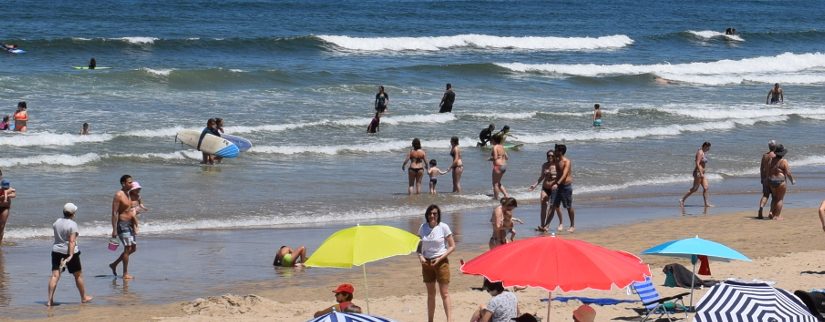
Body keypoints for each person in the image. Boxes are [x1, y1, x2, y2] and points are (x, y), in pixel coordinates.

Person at [47, 203, 93, 306]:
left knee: (55, 276)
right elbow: (71, 241)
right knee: (78, 275)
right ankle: (84, 297)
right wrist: (71, 255)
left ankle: (50, 300)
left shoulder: (57, 222)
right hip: (69, 252)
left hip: (56, 251)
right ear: (73, 213)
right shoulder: (73, 224)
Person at [417, 205, 455, 322]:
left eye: (435, 213)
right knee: (431, 294)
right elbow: (418, 247)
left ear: (438, 215)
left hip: (441, 262)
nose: (432, 216)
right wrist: (421, 257)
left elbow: (452, 246)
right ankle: (430, 320)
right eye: (430, 213)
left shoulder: (443, 227)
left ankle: (449, 319)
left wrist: (440, 258)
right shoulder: (422, 227)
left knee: (444, 293)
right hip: (426, 263)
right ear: (427, 215)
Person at [109, 175, 138, 279]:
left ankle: (114, 264)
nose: (132, 183)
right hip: (122, 224)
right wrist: (114, 229)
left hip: (129, 224)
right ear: (123, 183)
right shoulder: (119, 195)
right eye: (129, 182)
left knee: (133, 248)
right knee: (127, 248)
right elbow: (114, 212)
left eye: (132, 182)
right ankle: (125, 273)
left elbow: (130, 209)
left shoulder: (129, 194)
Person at [529, 150, 564, 232]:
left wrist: (552, 173)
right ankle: (543, 225)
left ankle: (560, 223)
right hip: (545, 188)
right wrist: (535, 185)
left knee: (556, 207)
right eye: (548, 155)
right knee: (543, 203)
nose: (550, 157)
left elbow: (561, 177)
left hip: (554, 188)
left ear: (555, 156)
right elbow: (541, 177)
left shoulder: (557, 165)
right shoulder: (544, 165)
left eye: (552, 156)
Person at [680, 142, 712, 209]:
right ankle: (682, 200)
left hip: (702, 173)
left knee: (706, 188)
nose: (709, 149)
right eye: (708, 147)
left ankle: (706, 204)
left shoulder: (703, 152)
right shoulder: (700, 152)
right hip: (698, 173)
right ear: (705, 146)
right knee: (694, 189)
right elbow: (697, 163)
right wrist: (701, 172)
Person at [551, 144, 576, 232]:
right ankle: (559, 223)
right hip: (557, 185)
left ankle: (572, 225)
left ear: (561, 152)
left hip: (566, 186)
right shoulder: (556, 160)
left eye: (556, 150)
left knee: (568, 206)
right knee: (555, 205)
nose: (555, 151)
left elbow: (564, 174)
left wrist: (557, 183)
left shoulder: (567, 161)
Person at [766, 144, 795, 220]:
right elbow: (788, 173)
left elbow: (768, 171)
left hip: (771, 181)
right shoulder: (783, 161)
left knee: (774, 198)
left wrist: (768, 180)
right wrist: (792, 180)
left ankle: (771, 212)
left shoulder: (771, 160)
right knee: (780, 199)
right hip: (780, 181)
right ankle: (777, 216)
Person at [758, 140, 778, 219]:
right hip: (773, 179)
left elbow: (761, 168)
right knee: (774, 197)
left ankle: (761, 208)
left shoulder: (765, 156)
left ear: (769, 147)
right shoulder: (776, 155)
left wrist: (762, 178)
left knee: (765, 195)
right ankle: (771, 212)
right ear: (775, 146)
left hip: (765, 179)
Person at [490, 135, 509, 200]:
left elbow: (495, 158)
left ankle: (495, 198)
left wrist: (490, 159)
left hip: (498, 166)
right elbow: (507, 157)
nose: (491, 141)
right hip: (504, 166)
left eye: (491, 140)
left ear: (494, 140)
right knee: (498, 182)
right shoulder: (502, 147)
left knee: (495, 183)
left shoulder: (495, 147)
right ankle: (506, 195)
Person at [0, 179, 16, 245]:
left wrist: (7, 194)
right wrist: (3, 196)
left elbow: (14, 195)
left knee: (2, 226)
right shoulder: (1, 189)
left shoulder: (10, 189)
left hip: (5, 208)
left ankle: (0, 242)